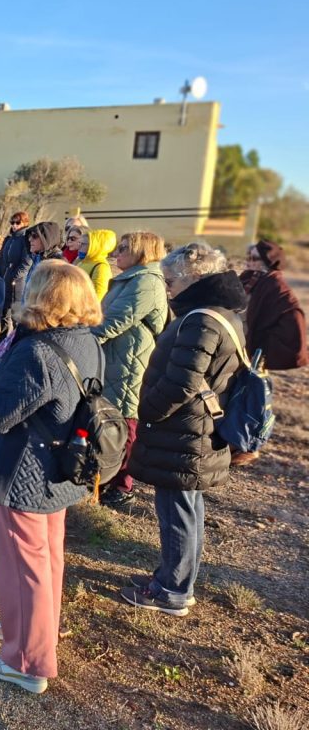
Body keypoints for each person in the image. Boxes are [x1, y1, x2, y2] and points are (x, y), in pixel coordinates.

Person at [0, 261, 104, 695]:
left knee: (23, 563)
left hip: (22, 470)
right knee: (46, 557)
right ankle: (33, 626)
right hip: (59, 467)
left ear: (41, 298)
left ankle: (27, 660)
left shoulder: (37, 352)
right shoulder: (87, 340)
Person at [122, 241, 247, 616]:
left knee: (177, 512)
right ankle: (173, 580)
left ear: (194, 279)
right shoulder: (220, 314)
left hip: (185, 432)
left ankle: (172, 591)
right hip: (193, 429)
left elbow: (181, 383)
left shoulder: (201, 321)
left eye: (171, 281)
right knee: (187, 509)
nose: (166, 288)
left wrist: (147, 411)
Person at [91, 232, 168, 506]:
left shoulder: (146, 282)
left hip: (130, 362)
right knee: (111, 420)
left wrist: (82, 341)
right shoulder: (131, 279)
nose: (117, 252)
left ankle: (122, 487)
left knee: (125, 422)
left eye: (124, 248)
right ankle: (106, 478)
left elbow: (115, 321)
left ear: (142, 252)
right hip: (116, 358)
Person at [240, 240, 309, 371]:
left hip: (251, 345)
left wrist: (264, 342)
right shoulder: (249, 277)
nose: (249, 260)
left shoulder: (275, 284)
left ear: (267, 262)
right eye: (248, 256)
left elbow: (294, 315)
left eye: (254, 258)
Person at [0, 211, 31, 340]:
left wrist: (15, 277)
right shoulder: (10, 239)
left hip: (18, 283)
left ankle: (17, 341)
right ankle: (2, 341)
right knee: (4, 313)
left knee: (16, 314)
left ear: (25, 223)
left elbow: (26, 263)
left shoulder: (26, 239)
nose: (14, 225)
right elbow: (2, 259)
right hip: (5, 279)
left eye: (18, 222)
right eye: (12, 222)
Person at [21, 222, 64, 298]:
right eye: (29, 236)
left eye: (34, 236)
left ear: (46, 239)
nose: (30, 239)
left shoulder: (57, 262)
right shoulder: (38, 257)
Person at [75, 229, 116, 300]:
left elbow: (98, 298)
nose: (79, 247)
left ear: (95, 246)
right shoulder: (82, 261)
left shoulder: (101, 267)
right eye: (79, 243)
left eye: (83, 244)